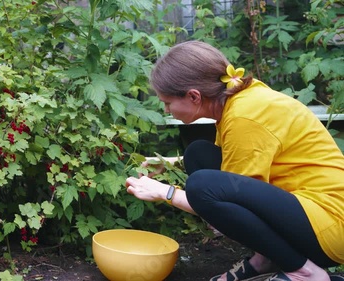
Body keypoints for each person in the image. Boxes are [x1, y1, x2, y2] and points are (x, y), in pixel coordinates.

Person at [125, 40, 344, 281]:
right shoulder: (237, 101)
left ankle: (305, 273)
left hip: (330, 227)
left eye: (167, 103)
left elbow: (228, 200)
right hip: (307, 210)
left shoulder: (244, 116)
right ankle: (267, 258)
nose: (167, 110)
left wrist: (166, 192)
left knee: (201, 185)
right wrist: (169, 164)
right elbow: (233, 170)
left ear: (194, 96)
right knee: (198, 154)